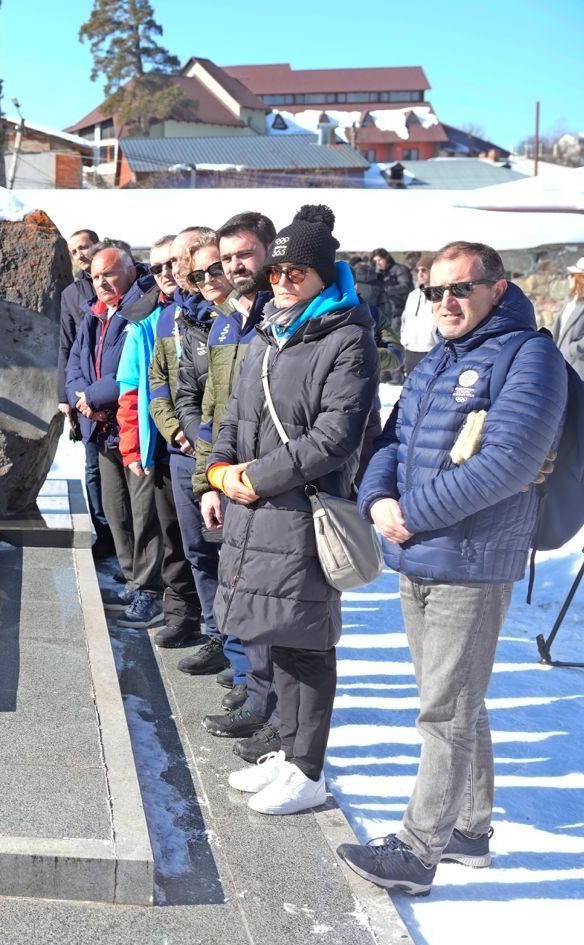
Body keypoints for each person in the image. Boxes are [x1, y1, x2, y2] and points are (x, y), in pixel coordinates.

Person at [341, 242, 568, 895]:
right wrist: (377, 496)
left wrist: (410, 511)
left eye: (461, 288)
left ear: (498, 288)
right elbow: (392, 439)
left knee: (446, 708)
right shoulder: (439, 357)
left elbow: (510, 461)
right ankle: (469, 826)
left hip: (472, 558)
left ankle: (418, 849)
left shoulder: (530, 355)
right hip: (419, 553)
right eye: (436, 290)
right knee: (457, 698)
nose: (447, 302)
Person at [205, 205, 379, 816]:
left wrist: (254, 476)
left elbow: (335, 436)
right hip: (257, 508)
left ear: (322, 274)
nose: (282, 280)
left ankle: (309, 770)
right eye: (276, 269)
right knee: (272, 636)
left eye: (296, 271)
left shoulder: (346, 337)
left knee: (305, 642)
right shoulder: (267, 333)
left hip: (301, 510)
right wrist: (217, 472)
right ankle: (287, 749)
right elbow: (235, 415)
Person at [196, 210, 279, 762]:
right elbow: (221, 405)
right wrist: (215, 473)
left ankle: (271, 709)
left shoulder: (282, 317)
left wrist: (247, 473)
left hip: (276, 480)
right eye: (227, 258)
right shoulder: (231, 317)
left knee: (277, 607)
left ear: (271, 252)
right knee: (246, 593)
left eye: (244, 255)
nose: (233, 266)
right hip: (235, 472)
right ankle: (256, 690)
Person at [66, 245, 163, 626]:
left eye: (109, 273)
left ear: (128, 270)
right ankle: (130, 574)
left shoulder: (143, 307)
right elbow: (76, 360)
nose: (101, 282)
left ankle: (149, 588)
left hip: (130, 426)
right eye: (94, 276)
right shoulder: (95, 312)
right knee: (115, 509)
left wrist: (92, 397)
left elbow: (133, 369)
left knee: (143, 513)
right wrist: (80, 397)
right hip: (101, 429)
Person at [114, 234, 201, 640]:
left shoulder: (205, 315)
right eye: (157, 267)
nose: (166, 273)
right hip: (162, 442)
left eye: (172, 264)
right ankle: (179, 614)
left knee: (199, 541)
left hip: (201, 442)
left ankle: (207, 625)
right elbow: (136, 389)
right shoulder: (148, 320)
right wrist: (138, 443)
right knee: (170, 536)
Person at [154, 228, 232, 677]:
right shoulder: (176, 318)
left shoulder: (229, 317)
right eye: (189, 268)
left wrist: (204, 440)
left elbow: (226, 398)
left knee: (228, 555)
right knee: (198, 549)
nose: (181, 272)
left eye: (184, 262)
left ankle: (236, 647)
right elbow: (163, 383)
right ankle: (216, 633)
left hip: (218, 451)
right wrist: (178, 430)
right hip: (185, 448)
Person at [59, 228, 111, 557]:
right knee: (92, 467)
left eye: (86, 246)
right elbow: (65, 345)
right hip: (83, 392)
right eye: (76, 249)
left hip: (115, 388)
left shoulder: (114, 282)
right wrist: (65, 396)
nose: (82, 253)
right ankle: (103, 532)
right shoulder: (70, 294)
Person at [398, 255, 436, 373]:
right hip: (411, 350)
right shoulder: (413, 295)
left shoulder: (440, 294)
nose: (420, 274)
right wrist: (405, 342)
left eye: (424, 270)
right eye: (417, 270)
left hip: (431, 350)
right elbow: (405, 320)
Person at [373, 248, 414, 339]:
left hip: (398, 310)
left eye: (380, 260)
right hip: (384, 311)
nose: (378, 263)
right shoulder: (379, 273)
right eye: (375, 261)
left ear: (386, 259)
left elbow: (407, 286)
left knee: (395, 338)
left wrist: (387, 289)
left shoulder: (400, 269)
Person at [556, 257, 584, 377]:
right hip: (562, 366)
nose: (568, 277)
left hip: (578, 369)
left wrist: (572, 349)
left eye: (572, 275)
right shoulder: (570, 300)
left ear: (581, 278)